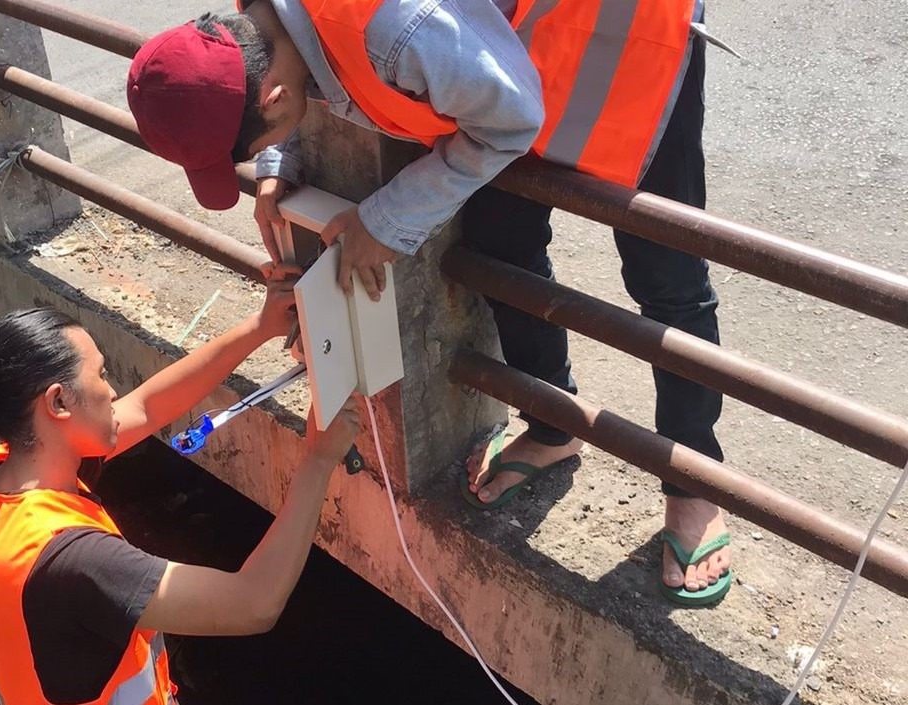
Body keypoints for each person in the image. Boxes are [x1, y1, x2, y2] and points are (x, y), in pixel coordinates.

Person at [126, 0, 731, 605]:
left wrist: (386, 220)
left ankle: (693, 481)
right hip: (511, 58)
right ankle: (554, 426)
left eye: (255, 141)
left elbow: (511, 118)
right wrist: (281, 158)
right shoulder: (260, 17)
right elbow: (294, 54)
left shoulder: (397, 30)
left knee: (666, 272)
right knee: (499, 246)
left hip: (630, 40)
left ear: (275, 97)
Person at [0, 288, 361, 703]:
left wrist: (260, 326)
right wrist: (319, 459)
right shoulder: (78, 562)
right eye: (101, 374)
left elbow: (147, 408)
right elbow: (255, 602)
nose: (114, 391)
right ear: (59, 401)